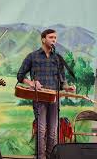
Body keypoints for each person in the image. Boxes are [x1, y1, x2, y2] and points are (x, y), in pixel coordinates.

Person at [17, 29, 76, 159]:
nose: (54, 40)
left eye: (55, 38)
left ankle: (51, 157)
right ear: (43, 39)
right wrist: (31, 83)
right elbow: (20, 75)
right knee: (41, 130)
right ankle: (40, 157)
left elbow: (62, 82)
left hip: (54, 99)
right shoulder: (32, 56)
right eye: (51, 37)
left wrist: (67, 88)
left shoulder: (58, 58)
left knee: (53, 131)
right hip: (39, 98)